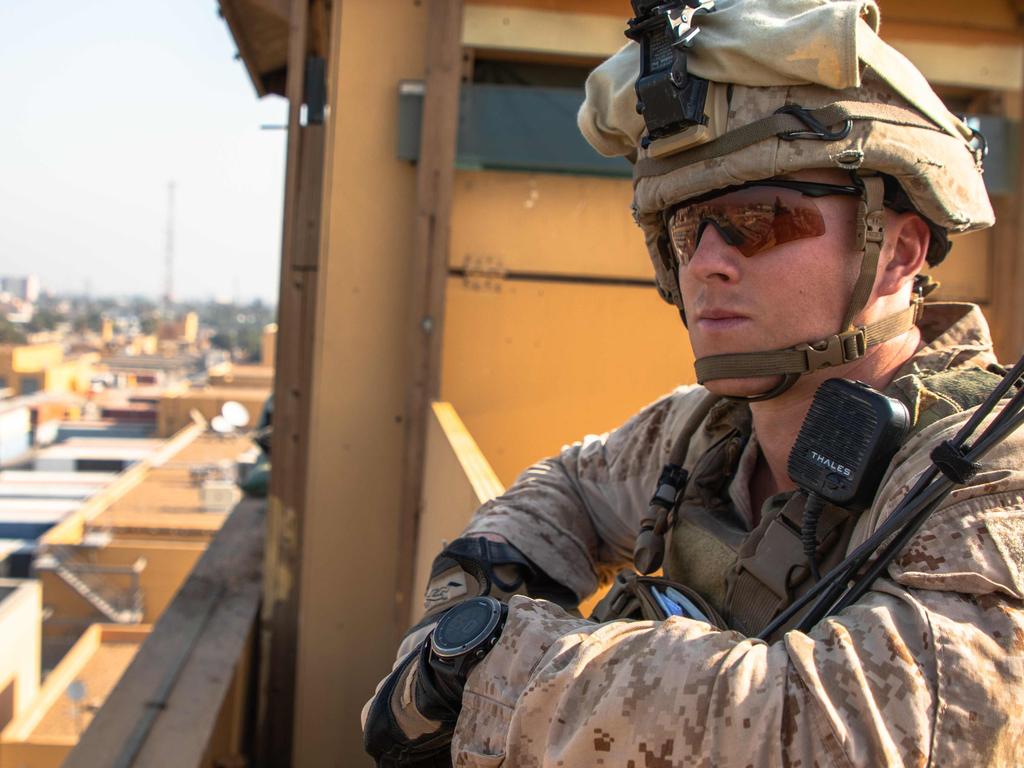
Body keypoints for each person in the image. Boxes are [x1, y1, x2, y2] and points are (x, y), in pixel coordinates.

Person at [363, 1, 1024, 765]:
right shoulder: (710, 431)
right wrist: (477, 590)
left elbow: (863, 732)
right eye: (685, 229)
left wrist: (487, 664)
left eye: (759, 219)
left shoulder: (988, 476)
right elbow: (571, 486)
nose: (706, 262)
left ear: (899, 252)